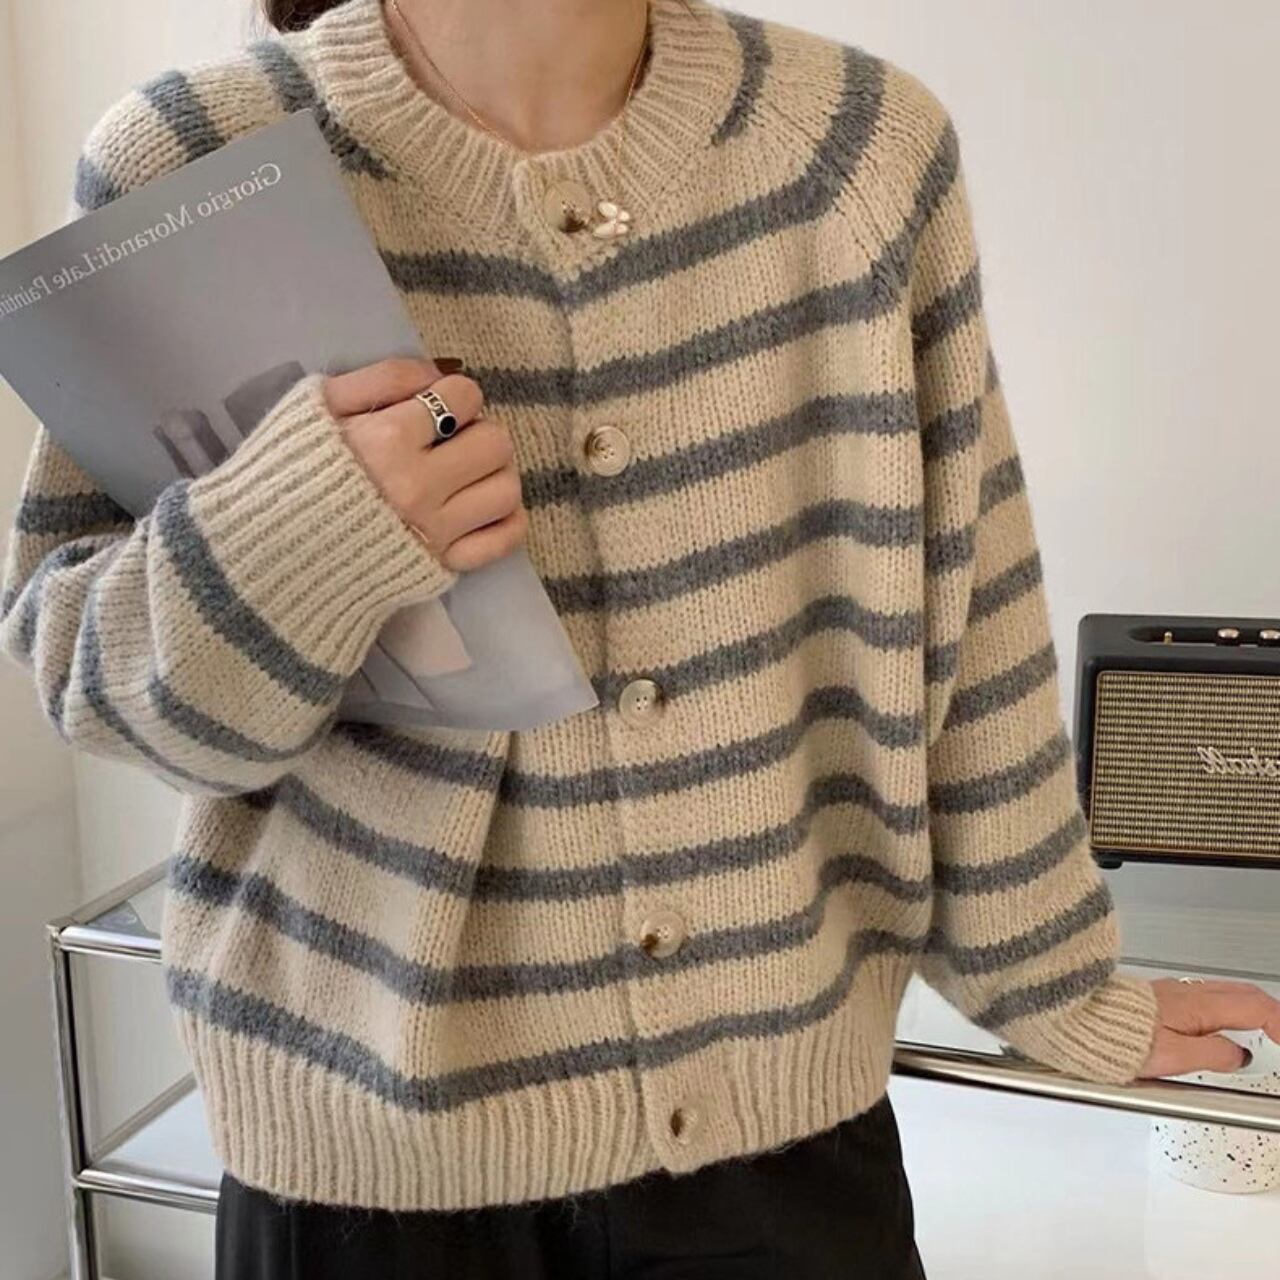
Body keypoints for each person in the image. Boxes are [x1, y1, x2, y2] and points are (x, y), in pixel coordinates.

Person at [4, 1, 1278, 1276]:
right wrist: (300, 537)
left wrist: (1054, 984)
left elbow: (972, 624)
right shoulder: (199, 155)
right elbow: (88, 673)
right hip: (365, 1168)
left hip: (779, 1156)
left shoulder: (856, 150)